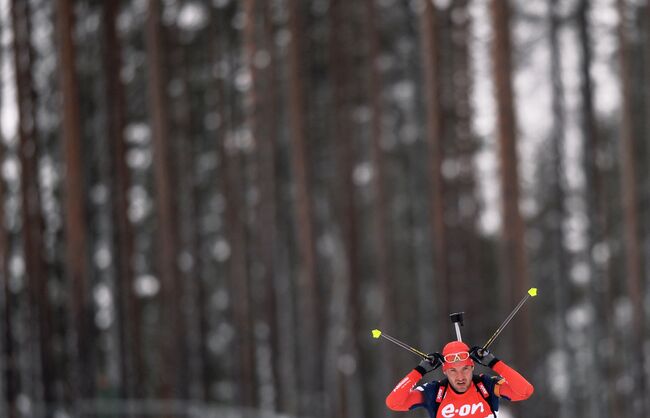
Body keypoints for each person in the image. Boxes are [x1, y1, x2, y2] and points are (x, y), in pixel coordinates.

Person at [386, 340, 533, 418]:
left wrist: (495, 363)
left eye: (465, 369)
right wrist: (419, 371)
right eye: (453, 371)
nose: (460, 377)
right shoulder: (434, 393)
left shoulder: (486, 385)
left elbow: (525, 391)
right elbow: (394, 402)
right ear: (444, 371)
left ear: (473, 367)